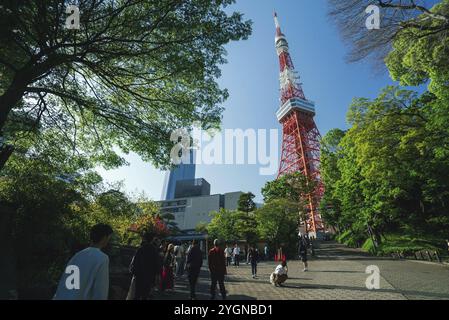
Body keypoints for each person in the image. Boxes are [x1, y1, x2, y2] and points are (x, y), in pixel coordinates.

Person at [54, 223, 113, 300]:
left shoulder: (78, 255)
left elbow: (65, 282)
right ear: (105, 238)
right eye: (109, 238)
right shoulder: (102, 258)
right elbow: (101, 290)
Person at [129, 232, 160, 300]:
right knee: (145, 295)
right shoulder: (154, 250)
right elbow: (157, 263)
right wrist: (157, 274)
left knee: (137, 294)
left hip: (139, 275)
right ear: (152, 240)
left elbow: (135, 262)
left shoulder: (141, 249)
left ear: (145, 239)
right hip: (149, 275)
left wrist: (134, 272)